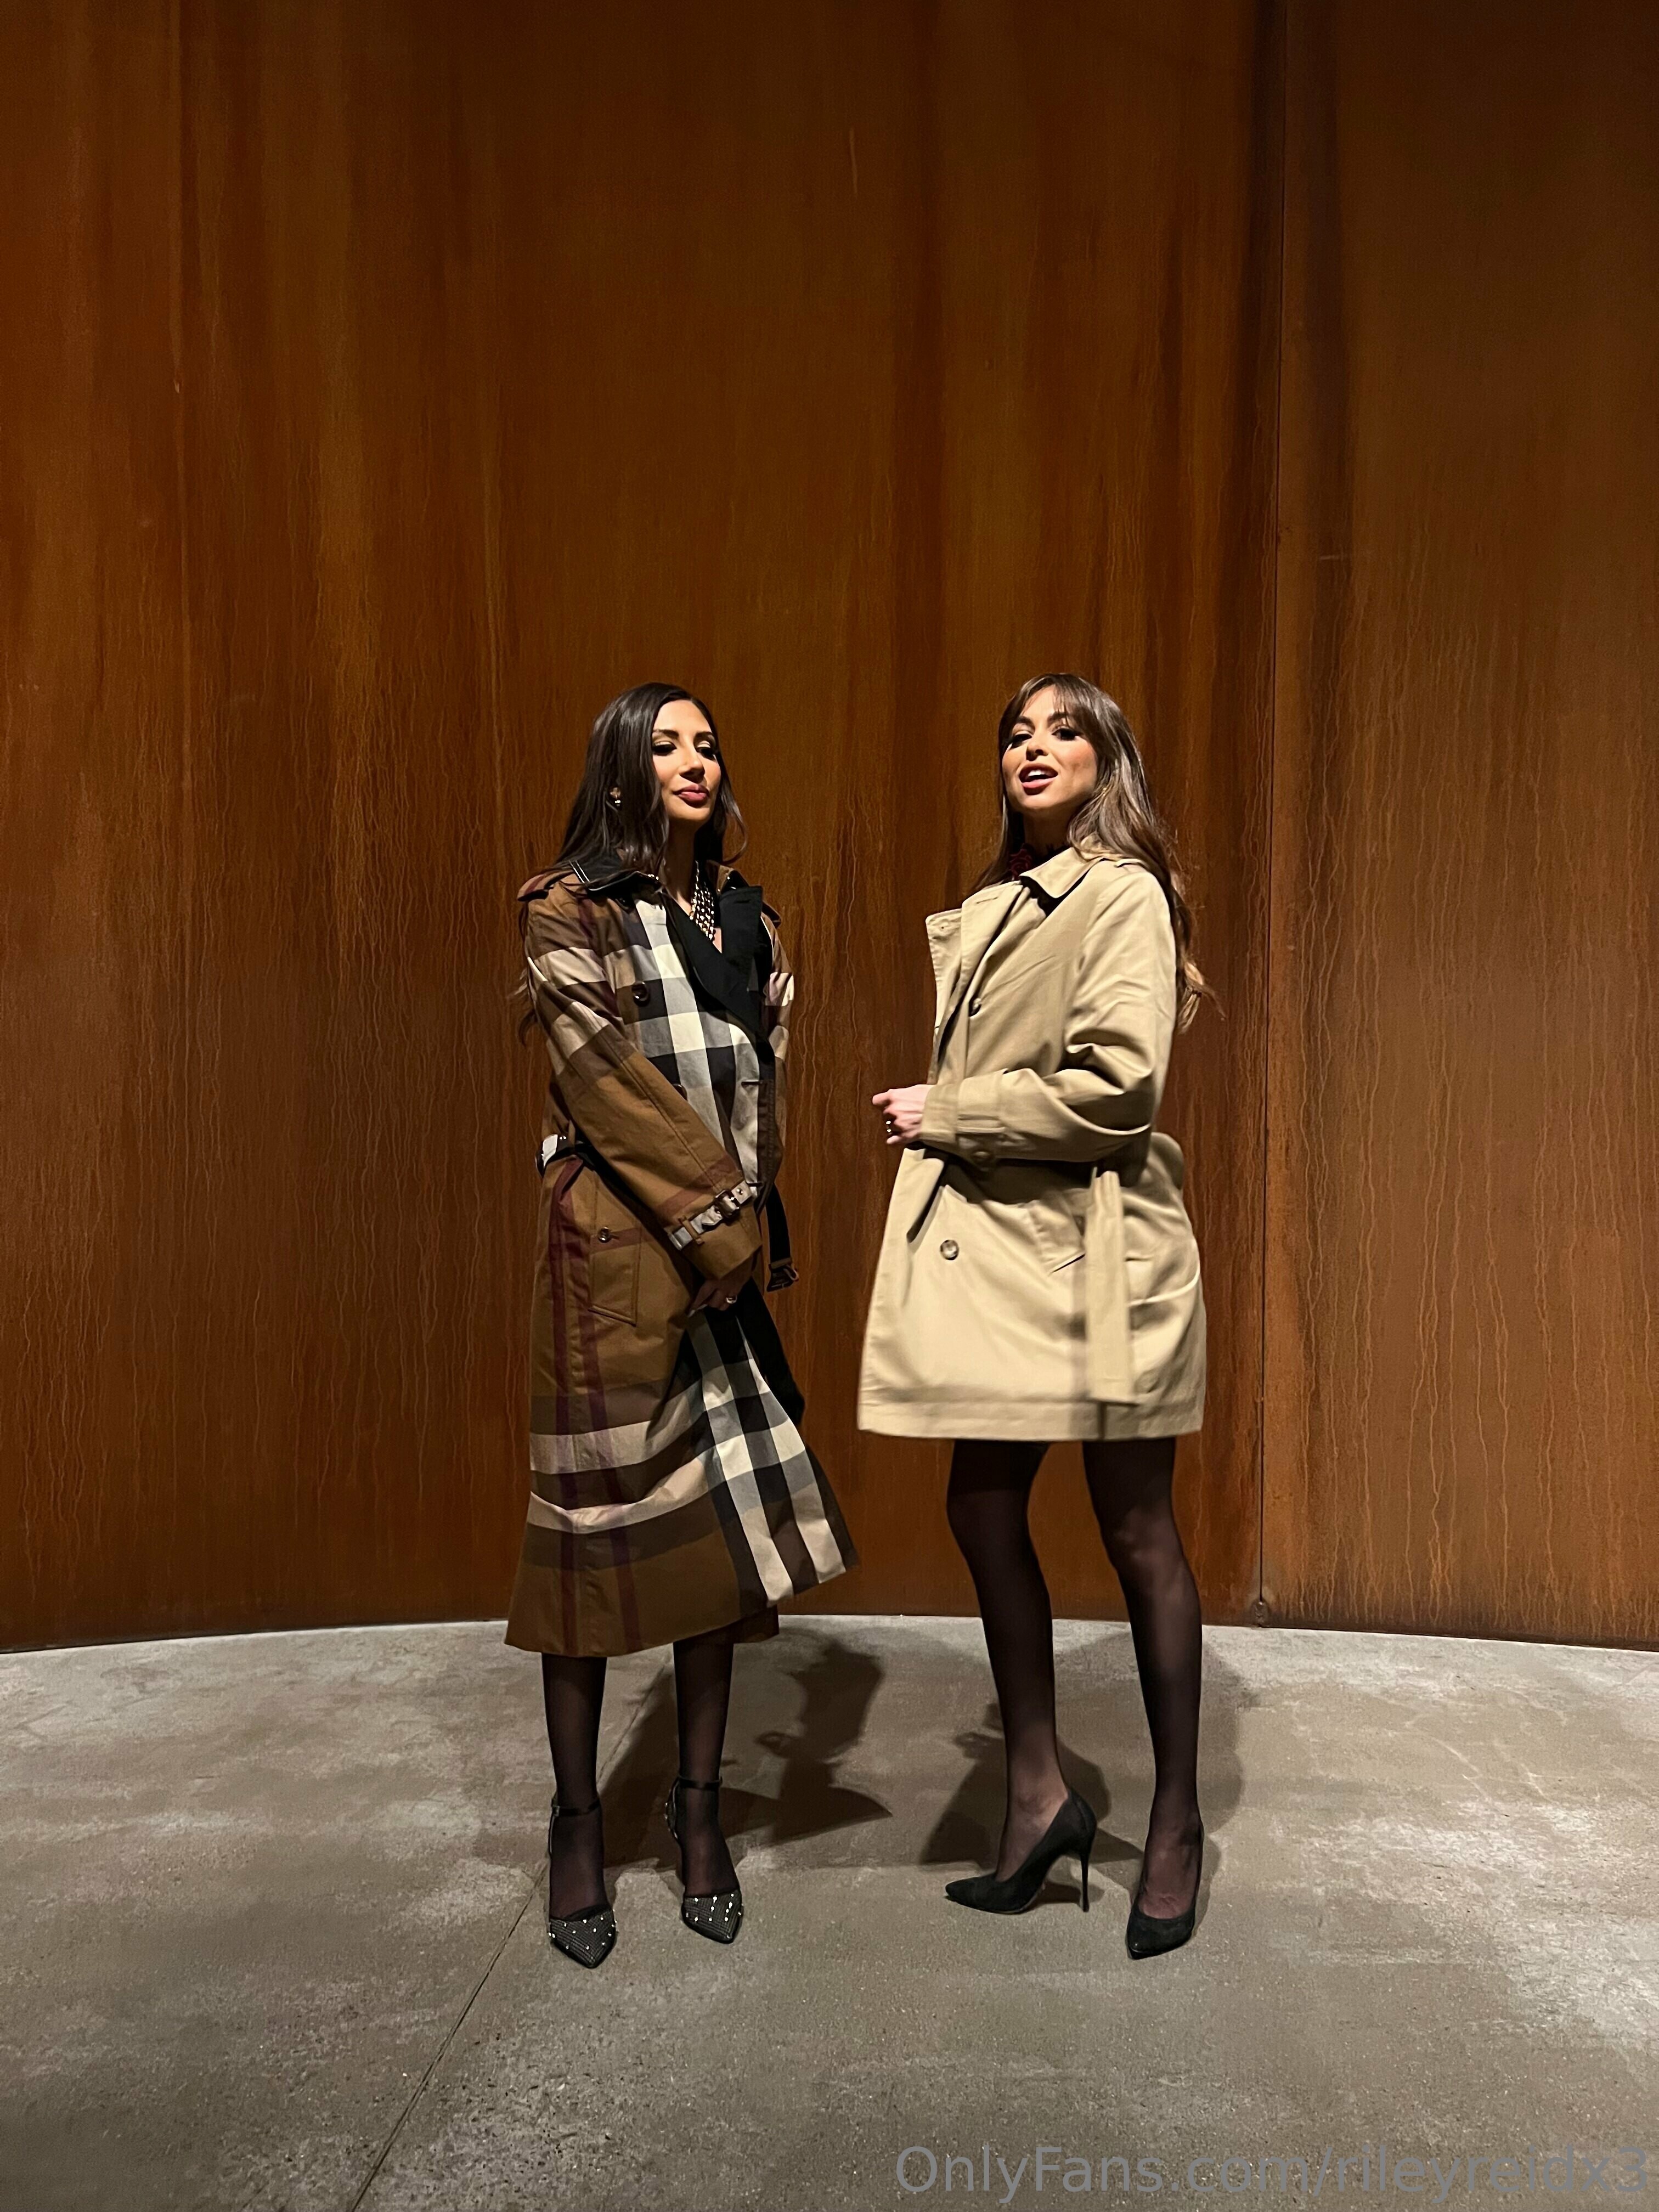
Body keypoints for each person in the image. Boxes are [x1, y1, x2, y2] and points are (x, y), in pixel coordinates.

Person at [858, 673, 1209, 1957]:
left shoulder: (1121, 893)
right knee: (982, 1504)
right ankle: (1039, 1792)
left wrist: (950, 1110)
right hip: (1017, 1252)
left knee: (1137, 1529)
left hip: (1102, 1254)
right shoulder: (1009, 898)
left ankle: (1175, 1825)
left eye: (1065, 730)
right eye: (1015, 732)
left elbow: (1120, 1090)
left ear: (1109, 760)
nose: (1034, 747)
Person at [509, 682, 855, 1968]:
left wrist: (751, 1233)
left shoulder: (748, 918)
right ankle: (576, 1825)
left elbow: (761, 1088)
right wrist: (722, 1227)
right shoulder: (566, 906)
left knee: (714, 1557)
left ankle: (698, 1809)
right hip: (615, 1257)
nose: (693, 762)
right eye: (665, 746)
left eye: (707, 744)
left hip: (726, 1261)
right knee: (586, 1554)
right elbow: (602, 1082)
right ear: (619, 771)